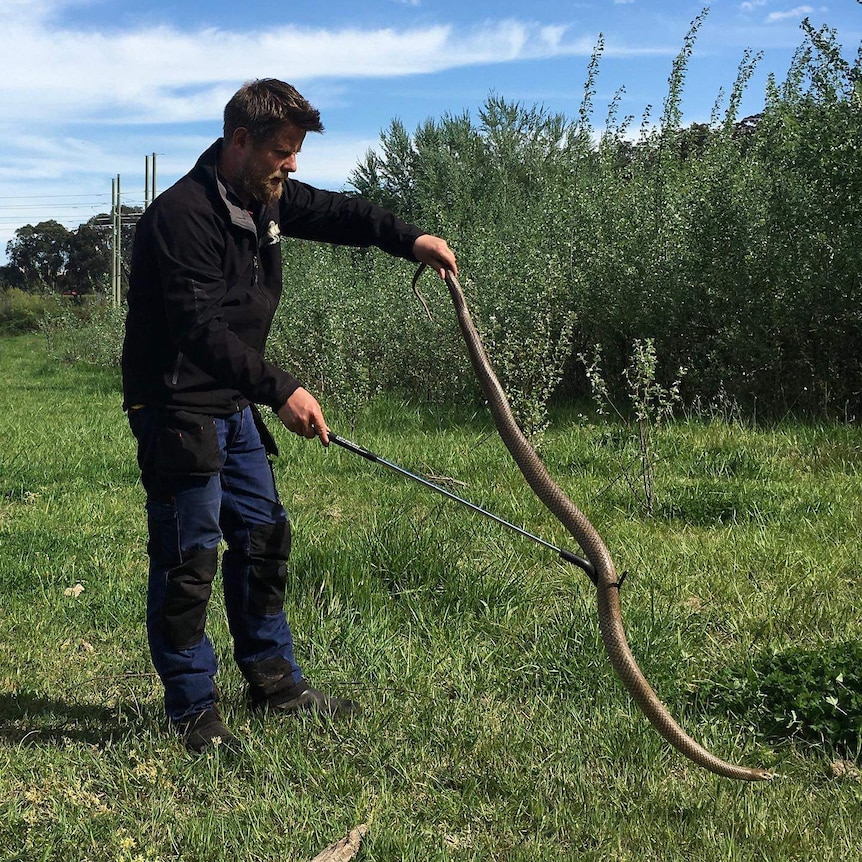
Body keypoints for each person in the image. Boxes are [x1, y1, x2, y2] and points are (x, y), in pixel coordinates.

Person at [122, 78, 457, 753]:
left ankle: (275, 685)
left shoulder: (264, 197)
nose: (293, 165)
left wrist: (411, 238)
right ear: (239, 141)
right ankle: (192, 710)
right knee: (190, 561)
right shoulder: (180, 215)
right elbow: (198, 330)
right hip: (176, 400)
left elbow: (344, 214)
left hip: (233, 401)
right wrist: (282, 389)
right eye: (283, 151)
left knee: (263, 539)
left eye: (297, 152)